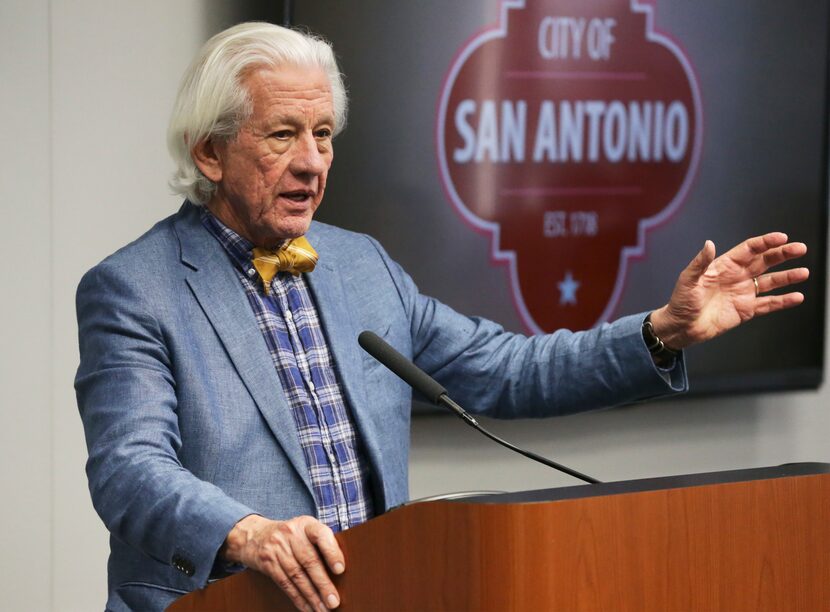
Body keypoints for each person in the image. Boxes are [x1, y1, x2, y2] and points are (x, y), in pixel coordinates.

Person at [75, 22, 809, 612]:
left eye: (324, 134)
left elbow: (511, 370)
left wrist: (662, 332)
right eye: (282, 134)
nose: (312, 162)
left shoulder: (362, 265)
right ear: (209, 151)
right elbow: (129, 468)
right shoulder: (134, 289)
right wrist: (245, 533)